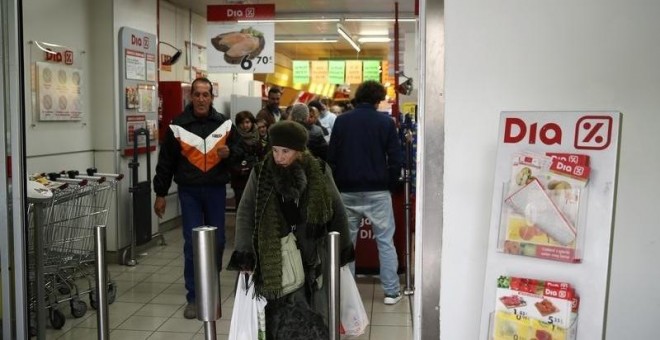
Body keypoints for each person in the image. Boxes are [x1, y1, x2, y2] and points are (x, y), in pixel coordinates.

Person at [227, 120, 355, 339]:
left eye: (285, 151)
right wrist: (245, 254)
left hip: (313, 254)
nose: (279, 157)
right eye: (275, 150)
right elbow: (246, 212)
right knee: (279, 316)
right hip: (276, 258)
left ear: (300, 150)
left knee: (314, 314)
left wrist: (342, 251)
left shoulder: (320, 171)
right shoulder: (261, 173)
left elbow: (337, 210)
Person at [153, 77, 243, 319]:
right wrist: (160, 194)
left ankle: (209, 288)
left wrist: (230, 153)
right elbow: (165, 163)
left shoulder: (224, 125)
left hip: (215, 192)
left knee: (219, 242)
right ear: (191, 97)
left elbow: (241, 156)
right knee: (192, 245)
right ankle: (193, 297)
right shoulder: (178, 126)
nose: (201, 99)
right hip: (189, 192)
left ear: (212, 97)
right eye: (197, 94)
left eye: (206, 94)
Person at [327, 80, 404, 305]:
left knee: (347, 244)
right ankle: (391, 292)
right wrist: (388, 184)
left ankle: (348, 294)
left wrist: (337, 184)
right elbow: (396, 158)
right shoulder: (385, 122)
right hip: (378, 190)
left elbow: (332, 157)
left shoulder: (341, 122)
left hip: (347, 190)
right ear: (378, 99)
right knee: (385, 241)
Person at [231, 110, 266, 208]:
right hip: (239, 178)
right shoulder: (233, 137)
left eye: (247, 122)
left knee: (254, 205)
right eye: (242, 123)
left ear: (252, 123)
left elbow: (261, 157)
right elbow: (230, 159)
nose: (245, 125)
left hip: (254, 176)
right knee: (241, 205)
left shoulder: (257, 137)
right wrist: (239, 170)